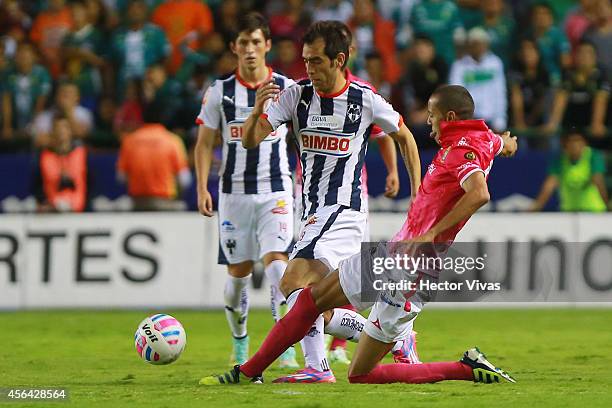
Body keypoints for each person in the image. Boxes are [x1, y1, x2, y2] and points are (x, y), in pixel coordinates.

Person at [200, 85, 519, 386]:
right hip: (395, 253)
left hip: (412, 271)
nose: (428, 122)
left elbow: (479, 193)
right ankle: (248, 371)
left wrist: (432, 234)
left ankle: (465, 368)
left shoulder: (460, 150)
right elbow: (497, 142)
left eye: (432, 116)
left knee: (360, 374)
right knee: (310, 300)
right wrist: (506, 143)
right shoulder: (482, 138)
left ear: (450, 118)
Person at [231, 20, 422, 383]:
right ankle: (397, 337)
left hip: (343, 211)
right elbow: (251, 140)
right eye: (306, 61)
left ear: (339, 59)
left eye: (317, 61)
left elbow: (405, 136)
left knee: (291, 282)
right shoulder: (296, 95)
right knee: (311, 299)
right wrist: (257, 111)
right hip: (312, 212)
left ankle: (318, 368)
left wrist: (417, 194)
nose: (309, 69)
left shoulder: (364, 98)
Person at [194, 13, 298, 369]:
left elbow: (302, 137)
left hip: (276, 190)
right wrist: (201, 188)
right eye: (244, 43)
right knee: (238, 278)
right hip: (233, 193)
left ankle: (282, 343)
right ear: (233, 48)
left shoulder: (288, 87)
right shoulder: (219, 92)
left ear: (268, 45)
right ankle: (240, 345)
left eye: (257, 42)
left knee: (276, 269)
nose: (250, 50)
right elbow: (204, 143)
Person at [117, 99, 191, 211]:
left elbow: (121, 177)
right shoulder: (173, 141)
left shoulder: (129, 140)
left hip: (136, 204)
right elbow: (184, 179)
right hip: (165, 203)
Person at [529, 130, 608, 212]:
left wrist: (607, 206)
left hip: (593, 211)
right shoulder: (559, 160)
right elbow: (549, 186)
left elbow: (598, 181)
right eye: (571, 141)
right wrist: (536, 207)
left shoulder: (593, 156)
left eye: (577, 140)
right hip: (568, 211)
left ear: (584, 143)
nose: (574, 144)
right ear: (565, 144)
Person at [449, 27, 507, 133]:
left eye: (481, 43)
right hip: (469, 121)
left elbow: (499, 93)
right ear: (469, 45)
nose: (478, 47)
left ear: (486, 45)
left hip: (491, 120)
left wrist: (500, 120)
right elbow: (456, 95)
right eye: (474, 44)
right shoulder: (459, 66)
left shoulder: (495, 63)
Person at [33, 114, 88, 213]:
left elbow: (90, 181)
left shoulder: (81, 154)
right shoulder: (44, 157)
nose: (61, 132)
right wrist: (44, 202)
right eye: (57, 128)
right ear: (52, 132)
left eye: (64, 128)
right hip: (52, 212)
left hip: (79, 211)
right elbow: (36, 185)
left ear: (70, 131)